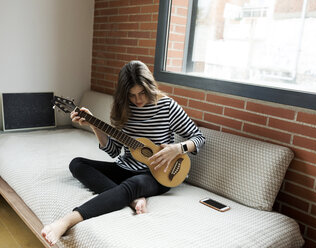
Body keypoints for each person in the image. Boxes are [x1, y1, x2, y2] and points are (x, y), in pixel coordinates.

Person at [41, 60, 206, 246]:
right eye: (132, 95)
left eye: (142, 92)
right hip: (126, 167)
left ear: (149, 86)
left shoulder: (167, 106)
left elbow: (198, 137)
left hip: (158, 174)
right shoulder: (122, 109)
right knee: (77, 164)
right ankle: (132, 199)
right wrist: (94, 125)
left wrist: (177, 148)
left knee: (134, 183)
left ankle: (66, 221)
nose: (138, 100)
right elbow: (114, 152)